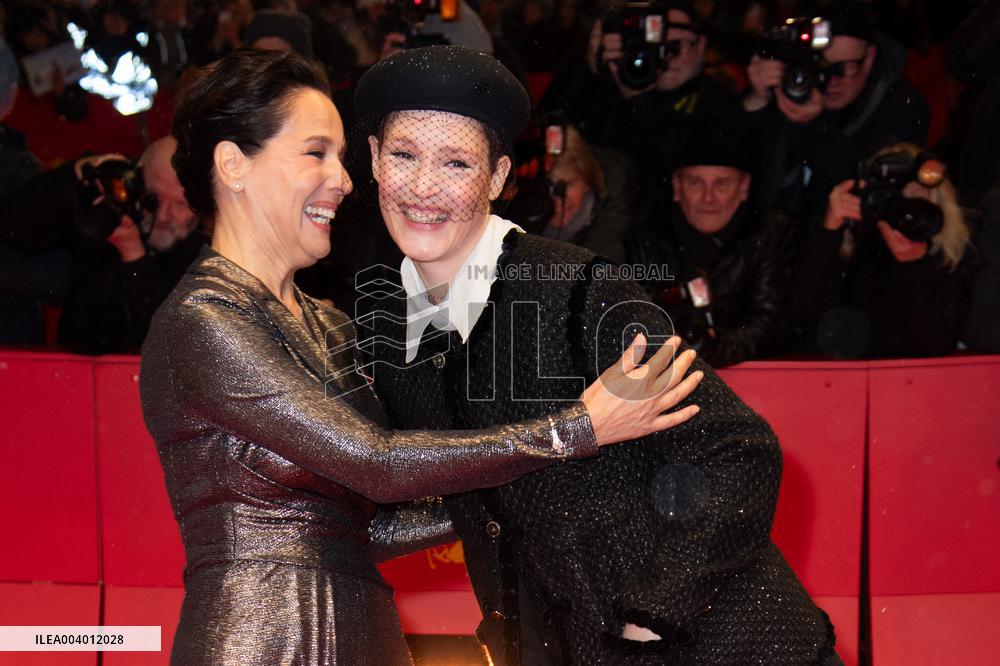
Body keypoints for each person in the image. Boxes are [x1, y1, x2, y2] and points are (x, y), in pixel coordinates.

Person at [139, 47, 702, 665]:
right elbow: (378, 462)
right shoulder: (205, 319)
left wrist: (538, 477)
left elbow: (373, 525)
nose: (345, 179)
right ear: (233, 165)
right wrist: (577, 431)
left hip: (366, 633)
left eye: (342, 156)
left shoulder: (331, 323)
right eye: (316, 153)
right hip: (261, 643)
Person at [356, 45, 839, 665]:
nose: (424, 187)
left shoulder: (578, 290)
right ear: (374, 158)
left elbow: (737, 450)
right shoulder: (389, 333)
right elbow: (467, 495)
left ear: (497, 178)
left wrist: (650, 622)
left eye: (456, 163)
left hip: (720, 646)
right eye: (404, 155)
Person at [628, 117, 794, 367]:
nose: (708, 197)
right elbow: (636, 316)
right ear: (677, 187)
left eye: (721, 184)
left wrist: (715, 349)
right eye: (695, 183)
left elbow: (770, 325)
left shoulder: (771, 234)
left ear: (744, 187)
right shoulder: (646, 235)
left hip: (752, 376)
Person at [787, 143, 979, 358]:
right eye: (891, 198)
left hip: (910, 373)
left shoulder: (951, 257)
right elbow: (801, 316)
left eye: (915, 200)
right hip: (841, 369)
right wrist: (829, 231)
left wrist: (912, 266)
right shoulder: (852, 241)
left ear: (936, 203)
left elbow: (935, 344)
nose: (902, 211)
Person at [743, 1, 929, 222]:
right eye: (820, 66)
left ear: (869, 58)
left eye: (844, 68)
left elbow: (862, 186)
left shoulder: (901, 106)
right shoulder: (792, 86)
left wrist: (812, 127)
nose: (832, 80)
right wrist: (756, 101)